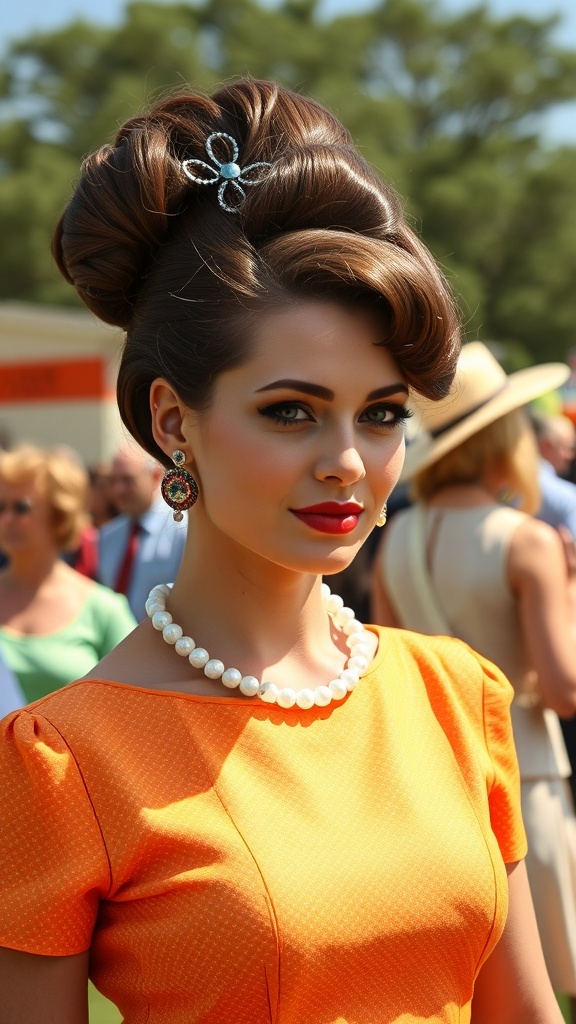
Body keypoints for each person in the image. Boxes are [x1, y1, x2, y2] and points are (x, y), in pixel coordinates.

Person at [0, 80, 564, 1024]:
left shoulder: (458, 696)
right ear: (174, 420)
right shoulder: (67, 763)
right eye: (291, 411)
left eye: (381, 414)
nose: (347, 461)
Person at [372, 341, 576, 1016]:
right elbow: (566, 685)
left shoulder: (394, 538)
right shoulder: (526, 540)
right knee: (547, 981)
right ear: (504, 437)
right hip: (524, 771)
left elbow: (388, 667)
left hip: (437, 774)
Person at [0, 445, 137, 704]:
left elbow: (135, 707)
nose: (7, 518)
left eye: (21, 507)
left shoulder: (103, 610)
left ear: (59, 514)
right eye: (0, 507)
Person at [98, 447, 188, 619]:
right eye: (113, 481)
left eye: (128, 480)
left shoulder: (182, 531)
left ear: (155, 477)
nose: (118, 490)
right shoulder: (106, 537)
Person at [532, 412, 576, 538]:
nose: (571, 456)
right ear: (547, 446)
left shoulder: (508, 485)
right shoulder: (567, 498)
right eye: (568, 448)